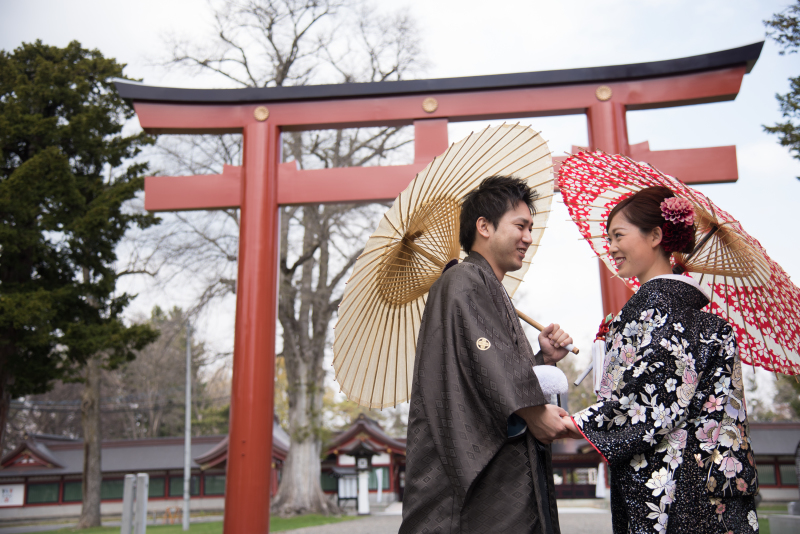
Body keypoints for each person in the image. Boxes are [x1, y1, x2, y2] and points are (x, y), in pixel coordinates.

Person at [563, 186, 759, 534]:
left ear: (655, 235)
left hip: (676, 488)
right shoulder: (711, 325)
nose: (611, 248)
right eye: (609, 238)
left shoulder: (660, 315)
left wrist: (569, 425)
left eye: (618, 236)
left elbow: (649, 406)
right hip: (713, 484)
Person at [399, 176, 573, 534]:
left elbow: (492, 371)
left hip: (504, 470)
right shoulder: (463, 278)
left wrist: (543, 358)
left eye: (530, 228)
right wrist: (535, 411)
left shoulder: (486, 286)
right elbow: (489, 364)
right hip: (480, 479)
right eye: (520, 226)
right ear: (484, 227)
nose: (528, 237)